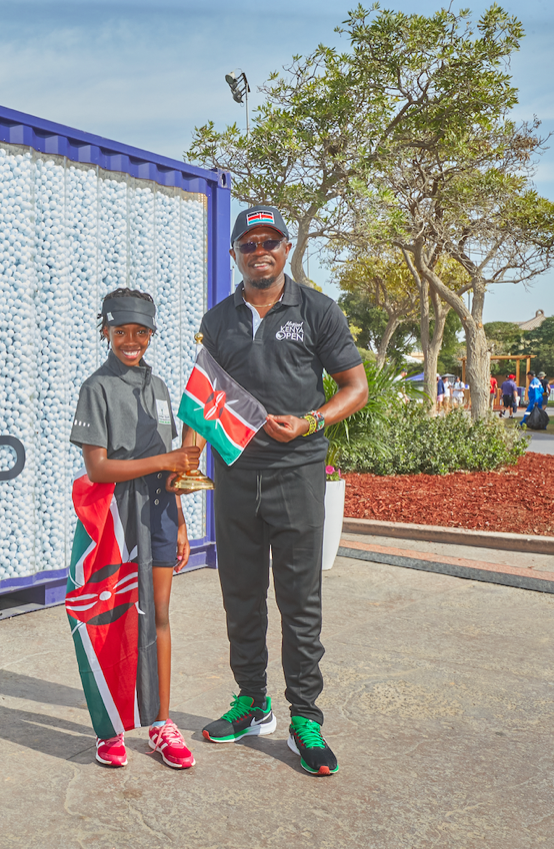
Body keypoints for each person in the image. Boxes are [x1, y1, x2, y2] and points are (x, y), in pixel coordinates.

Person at [186, 206, 368, 777]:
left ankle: (305, 718)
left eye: (270, 241)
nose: (259, 250)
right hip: (235, 476)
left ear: (287, 248)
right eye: (249, 243)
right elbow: (202, 395)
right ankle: (252, 703)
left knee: (299, 602)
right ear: (235, 253)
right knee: (240, 596)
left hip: (297, 473)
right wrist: (187, 458)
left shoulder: (317, 310)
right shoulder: (218, 320)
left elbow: (355, 387)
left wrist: (312, 421)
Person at [70, 288, 203, 770]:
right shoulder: (96, 388)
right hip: (114, 518)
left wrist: (180, 520)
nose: (131, 341)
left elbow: (174, 464)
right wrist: (166, 461)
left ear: (151, 334)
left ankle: (161, 724)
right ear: (105, 331)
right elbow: (98, 468)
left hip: (160, 513)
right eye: (121, 331)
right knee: (108, 619)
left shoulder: (161, 388)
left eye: (141, 332)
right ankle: (109, 730)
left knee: (158, 615)